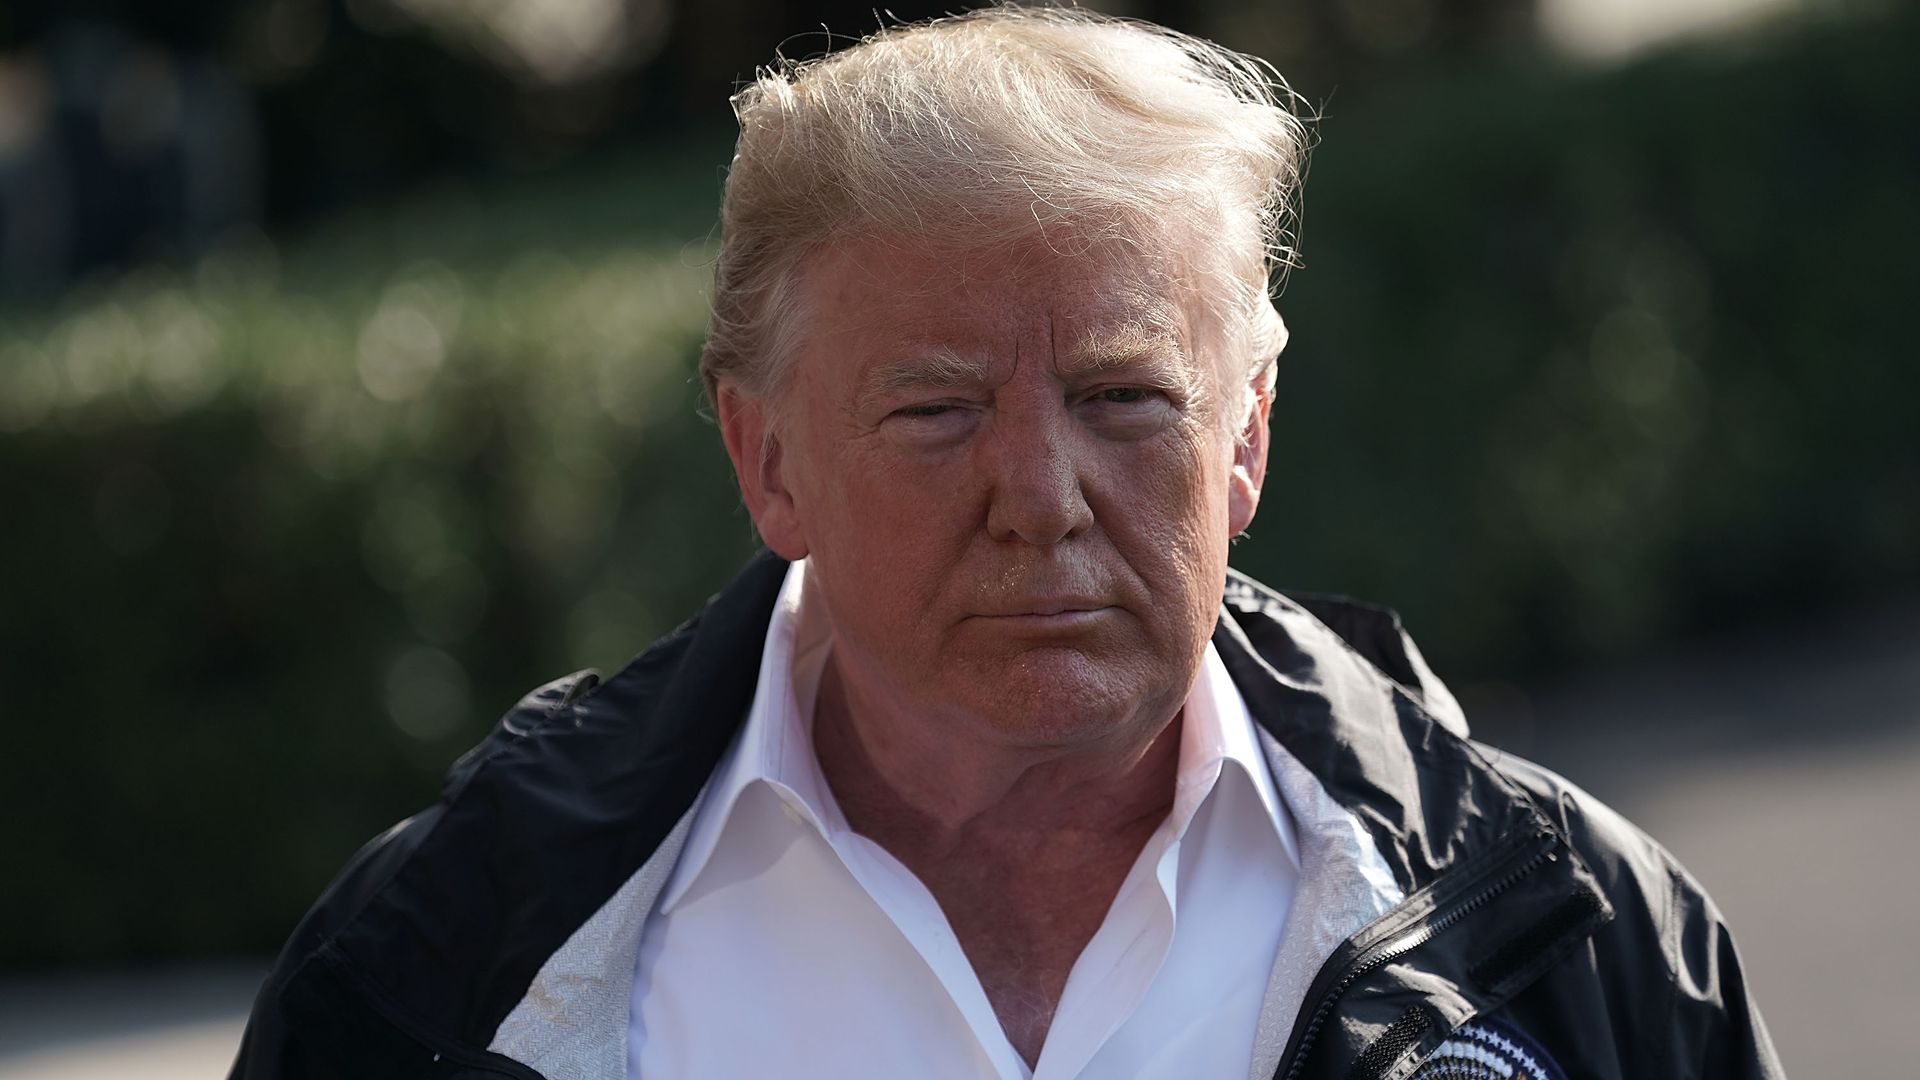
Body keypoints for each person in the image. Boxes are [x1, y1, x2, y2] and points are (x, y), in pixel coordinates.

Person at [231, 7, 1783, 1079]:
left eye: (1124, 396)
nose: (1039, 491)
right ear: (765, 458)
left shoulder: (1576, 941)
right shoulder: (435, 966)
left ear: (1243, 437)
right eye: (935, 410)